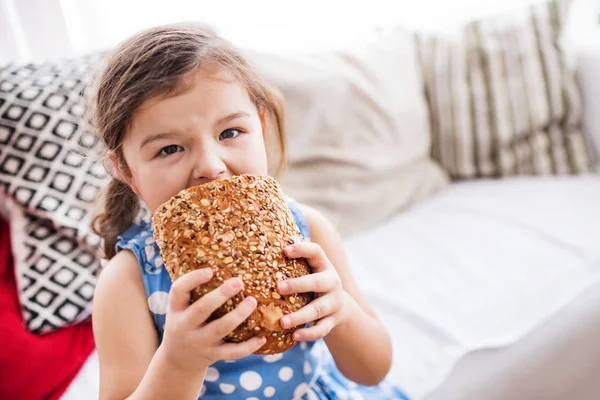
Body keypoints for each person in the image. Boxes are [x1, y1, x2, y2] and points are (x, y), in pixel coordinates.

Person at [91, 23, 409, 400]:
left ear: (260, 126)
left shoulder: (308, 231)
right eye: (169, 149)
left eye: (229, 133)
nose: (210, 166)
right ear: (126, 170)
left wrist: (341, 313)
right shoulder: (128, 281)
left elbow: (373, 370)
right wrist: (179, 362)